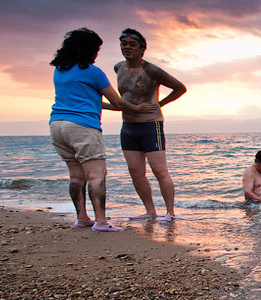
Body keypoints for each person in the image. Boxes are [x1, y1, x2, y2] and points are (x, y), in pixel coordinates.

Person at [49, 28, 156, 232]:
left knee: (76, 176)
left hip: (57, 125)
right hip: (82, 126)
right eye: (96, 49)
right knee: (97, 174)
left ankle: (82, 218)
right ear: (88, 50)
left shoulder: (60, 70)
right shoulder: (93, 72)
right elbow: (117, 101)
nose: (97, 53)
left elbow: (86, 98)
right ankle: (101, 221)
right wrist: (138, 108)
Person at [107, 28, 186, 222]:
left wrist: (159, 104)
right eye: (123, 44)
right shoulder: (119, 67)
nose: (127, 47)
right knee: (135, 172)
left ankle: (170, 213)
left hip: (151, 125)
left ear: (142, 49)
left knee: (159, 170)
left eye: (132, 44)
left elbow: (180, 88)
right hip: (128, 126)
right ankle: (150, 211)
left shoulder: (150, 69)